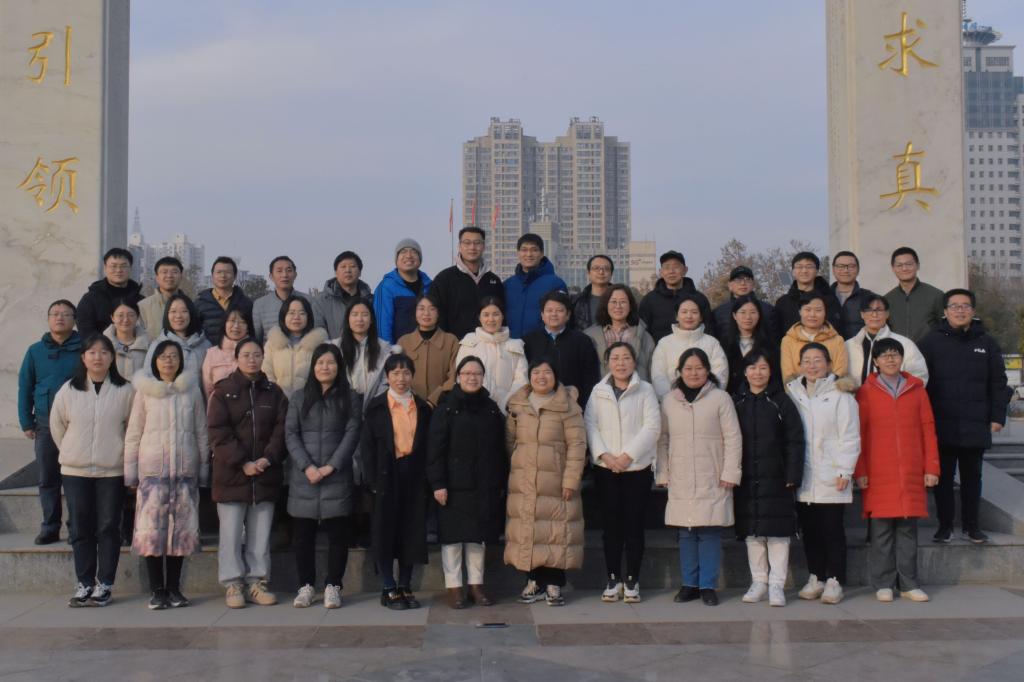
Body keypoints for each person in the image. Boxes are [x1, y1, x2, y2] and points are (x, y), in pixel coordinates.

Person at [49, 334, 135, 607]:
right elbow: (57, 425)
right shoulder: (69, 390)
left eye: (104, 352)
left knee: (109, 527)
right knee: (80, 527)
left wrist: (121, 456)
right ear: (83, 358)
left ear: (112, 358)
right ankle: (84, 583)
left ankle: (104, 584)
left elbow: (133, 428)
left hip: (111, 470)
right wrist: (71, 451)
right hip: (75, 471)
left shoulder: (126, 390)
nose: (98, 357)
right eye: (92, 352)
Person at [918, 288, 1009, 544]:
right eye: (954, 306)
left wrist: (997, 417)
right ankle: (945, 526)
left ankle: (972, 526)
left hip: (975, 422)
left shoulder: (987, 342)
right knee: (943, 478)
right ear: (945, 312)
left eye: (965, 306)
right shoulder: (930, 342)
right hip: (941, 422)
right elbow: (921, 383)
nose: (960, 310)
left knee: (972, 478)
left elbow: (998, 383)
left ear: (973, 310)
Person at [124, 340, 209, 610]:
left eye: (173, 356)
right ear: (154, 361)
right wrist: (130, 472)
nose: (168, 361)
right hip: (153, 472)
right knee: (152, 532)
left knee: (179, 532)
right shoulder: (145, 392)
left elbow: (201, 431)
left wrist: (203, 468)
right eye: (163, 356)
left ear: (181, 361)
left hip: (184, 471)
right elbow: (134, 432)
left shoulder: (192, 390)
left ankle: (174, 588)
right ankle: (156, 590)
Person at [855, 339, 940, 603]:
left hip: (911, 470)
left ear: (902, 359)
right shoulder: (865, 392)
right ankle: (883, 583)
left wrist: (932, 467)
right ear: (875, 361)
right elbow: (858, 434)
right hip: (879, 471)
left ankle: (909, 583)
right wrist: (860, 470)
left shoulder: (916, 389)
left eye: (895, 355)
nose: (890, 359)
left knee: (908, 531)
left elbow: (928, 429)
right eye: (884, 356)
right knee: (881, 532)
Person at [656, 348, 741, 607]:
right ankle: (689, 584)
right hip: (680, 474)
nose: (694, 373)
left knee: (709, 531)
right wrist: (662, 471)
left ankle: (707, 585)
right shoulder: (669, 401)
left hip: (712, 474)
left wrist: (730, 472)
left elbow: (733, 438)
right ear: (680, 372)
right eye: (688, 368)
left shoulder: (720, 398)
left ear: (707, 370)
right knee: (686, 532)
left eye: (699, 368)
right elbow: (662, 439)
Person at [207, 338, 288, 608]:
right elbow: (218, 433)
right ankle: (232, 584)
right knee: (230, 534)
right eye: (246, 355)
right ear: (237, 358)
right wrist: (243, 462)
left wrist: (268, 458)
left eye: (256, 354)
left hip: (265, 474)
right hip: (231, 475)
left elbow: (282, 429)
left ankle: (257, 581)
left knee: (260, 534)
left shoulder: (274, 393)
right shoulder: (223, 391)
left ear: (263, 357)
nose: (251, 359)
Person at [427, 356, 508, 609]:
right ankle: (454, 587)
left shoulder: (491, 408)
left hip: (483, 484)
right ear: (458, 377)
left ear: (483, 377)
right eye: (467, 373)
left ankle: (476, 585)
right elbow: (435, 450)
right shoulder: (445, 407)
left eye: (477, 373)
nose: (472, 378)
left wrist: (499, 481)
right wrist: (438, 483)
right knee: (452, 539)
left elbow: (499, 448)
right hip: (452, 486)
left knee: (477, 538)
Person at [505, 359, 587, 607]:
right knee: (529, 529)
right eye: (536, 372)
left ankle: (554, 583)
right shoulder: (517, 405)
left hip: (557, 479)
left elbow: (577, 445)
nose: (541, 376)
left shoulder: (568, 405)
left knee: (555, 531)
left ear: (556, 376)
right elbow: (509, 440)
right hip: (524, 479)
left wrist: (571, 479)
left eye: (547, 372)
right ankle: (534, 581)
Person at [285, 344, 362, 609]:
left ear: (339, 367)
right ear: (313, 366)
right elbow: (290, 434)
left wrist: (331, 467)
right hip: (304, 477)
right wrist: (307, 466)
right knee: (303, 536)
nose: (325, 367)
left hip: (335, 476)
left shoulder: (350, 398)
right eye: (320, 363)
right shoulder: (299, 397)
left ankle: (333, 586)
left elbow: (352, 433)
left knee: (338, 535)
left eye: (330, 362)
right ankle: (306, 586)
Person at [584, 342, 660, 604]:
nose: (620, 363)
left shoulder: (645, 389)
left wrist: (628, 456)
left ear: (634, 362)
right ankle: (613, 578)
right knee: (611, 526)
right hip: (606, 469)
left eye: (626, 358)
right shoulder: (598, 391)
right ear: (608, 362)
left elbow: (652, 427)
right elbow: (590, 425)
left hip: (636, 469)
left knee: (634, 525)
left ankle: (632, 580)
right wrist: (606, 456)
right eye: (615, 358)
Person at [786, 343, 860, 606]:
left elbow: (850, 435)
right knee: (810, 530)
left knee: (832, 530)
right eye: (807, 360)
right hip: (804, 475)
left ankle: (834, 579)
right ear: (800, 365)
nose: (812, 365)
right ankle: (815, 576)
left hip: (832, 473)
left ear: (828, 364)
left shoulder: (841, 395)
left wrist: (845, 470)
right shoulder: (793, 393)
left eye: (818, 360)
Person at [359, 354, 432, 610]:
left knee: (411, 531)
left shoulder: (423, 407)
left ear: (412, 376)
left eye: (406, 373)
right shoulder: (377, 407)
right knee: (385, 531)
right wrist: (372, 481)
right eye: (395, 373)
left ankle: (405, 585)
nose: (401, 378)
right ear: (387, 377)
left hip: (414, 475)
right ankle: (388, 586)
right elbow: (367, 448)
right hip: (385, 475)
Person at [732, 351, 804, 607]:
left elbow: (795, 440)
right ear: (744, 372)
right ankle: (759, 581)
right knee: (752, 534)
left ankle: (777, 584)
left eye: (763, 367)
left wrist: (792, 474)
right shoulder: (736, 402)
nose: (757, 373)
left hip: (777, 477)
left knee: (777, 534)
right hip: (746, 478)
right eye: (752, 368)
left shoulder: (781, 401)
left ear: (771, 371)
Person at [17, 300, 82, 545]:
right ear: (48, 319)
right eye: (55, 314)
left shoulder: (85, 348)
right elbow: (25, 386)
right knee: (47, 478)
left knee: (75, 478)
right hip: (44, 423)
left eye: (66, 314)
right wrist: (26, 421)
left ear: (74, 319)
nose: (60, 318)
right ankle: (50, 527)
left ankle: (76, 527)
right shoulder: (35, 351)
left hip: (77, 424)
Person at [523, 290, 601, 409]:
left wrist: (584, 406)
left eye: (559, 310)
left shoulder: (582, 341)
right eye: (549, 310)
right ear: (542, 315)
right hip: (538, 406)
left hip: (573, 406)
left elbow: (590, 378)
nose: (554, 314)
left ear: (568, 315)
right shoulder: (528, 341)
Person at [429, 227, 504, 339]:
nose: (472, 247)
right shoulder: (444, 278)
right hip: (455, 345)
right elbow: (435, 314)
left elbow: (501, 314)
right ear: (459, 246)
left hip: (489, 344)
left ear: (483, 246)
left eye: (477, 243)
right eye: (467, 243)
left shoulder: (494, 280)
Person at [455, 297, 528, 412]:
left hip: (508, 409)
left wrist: (506, 401)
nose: (491, 319)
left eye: (496, 314)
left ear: (502, 316)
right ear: (479, 317)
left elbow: (522, 380)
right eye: (486, 315)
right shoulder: (469, 343)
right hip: (474, 408)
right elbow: (461, 377)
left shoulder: (515, 345)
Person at [650, 295, 729, 398]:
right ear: (677, 316)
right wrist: (671, 400)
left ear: (701, 317)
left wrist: (707, 399)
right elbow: (658, 376)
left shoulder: (712, 343)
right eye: (684, 312)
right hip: (672, 403)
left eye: (694, 312)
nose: (689, 316)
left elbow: (720, 374)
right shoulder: (664, 343)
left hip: (708, 402)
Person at [845, 294, 928, 388]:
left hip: (894, 397)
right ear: (862, 314)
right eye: (869, 310)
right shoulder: (848, 345)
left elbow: (919, 376)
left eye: (879, 310)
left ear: (887, 314)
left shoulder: (905, 344)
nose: (874, 315)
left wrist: (898, 394)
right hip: (856, 397)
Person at [583, 284, 656, 382]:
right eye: (613, 302)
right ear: (606, 305)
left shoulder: (644, 336)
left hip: (637, 389)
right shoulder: (590, 336)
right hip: (602, 390)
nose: (618, 306)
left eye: (623, 302)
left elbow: (652, 371)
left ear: (630, 306)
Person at [261, 296, 329, 399]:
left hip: (310, 400)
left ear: (309, 317)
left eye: (302, 313)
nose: (296, 317)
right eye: (291, 313)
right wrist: (276, 395)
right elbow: (266, 371)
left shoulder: (319, 342)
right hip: (277, 400)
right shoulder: (273, 342)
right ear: (283, 316)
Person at [398, 295, 459, 406]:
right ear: (415, 313)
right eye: (421, 308)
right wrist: (413, 400)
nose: (426, 313)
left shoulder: (451, 341)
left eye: (432, 309)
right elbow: (397, 375)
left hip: (443, 405)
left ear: (438, 313)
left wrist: (433, 401)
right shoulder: (403, 342)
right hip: (408, 405)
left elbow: (453, 376)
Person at [638, 250, 712, 343]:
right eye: (667, 267)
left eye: (676, 267)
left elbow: (709, 331)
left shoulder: (699, 299)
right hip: (659, 351)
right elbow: (642, 335)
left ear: (685, 270)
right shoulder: (649, 301)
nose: (671, 271)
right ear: (661, 272)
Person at [503, 233, 568, 339]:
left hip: (543, 346)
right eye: (524, 250)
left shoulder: (555, 284)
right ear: (518, 253)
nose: (529, 254)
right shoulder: (508, 284)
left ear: (542, 254)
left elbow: (564, 320)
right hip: (512, 345)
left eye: (534, 250)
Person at [144, 293, 211, 393]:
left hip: (198, 401)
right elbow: (148, 378)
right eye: (173, 311)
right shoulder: (157, 345)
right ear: (167, 315)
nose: (178, 316)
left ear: (191, 313)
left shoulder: (205, 345)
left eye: (184, 311)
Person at [337, 299, 398, 406]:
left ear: (371, 320)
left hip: (376, 406)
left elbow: (386, 381)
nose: (359, 319)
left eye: (365, 315)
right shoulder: (336, 348)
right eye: (355, 314)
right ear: (348, 319)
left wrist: (375, 403)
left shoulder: (385, 349)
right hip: (343, 407)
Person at [374, 239, 433, 344]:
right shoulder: (386, 287)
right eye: (403, 252)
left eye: (414, 251)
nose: (408, 255)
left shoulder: (430, 286)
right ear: (396, 260)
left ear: (420, 259)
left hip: (427, 349)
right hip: (398, 351)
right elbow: (382, 326)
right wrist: (388, 351)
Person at [76, 247, 144, 337]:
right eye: (113, 266)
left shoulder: (141, 300)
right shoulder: (90, 298)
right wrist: (103, 344)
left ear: (130, 268)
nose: (119, 270)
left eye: (123, 266)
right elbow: (85, 330)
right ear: (105, 268)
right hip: (100, 345)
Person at [780, 293, 848, 381]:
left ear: (825, 312)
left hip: (831, 389)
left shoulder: (837, 340)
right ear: (800, 312)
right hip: (798, 389)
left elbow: (840, 373)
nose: (812, 314)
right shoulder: (788, 341)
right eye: (807, 310)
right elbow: (788, 375)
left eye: (818, 310)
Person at [720, 294, 780, 394]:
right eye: (743, 312)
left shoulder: (769, 344)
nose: (748, 317)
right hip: (733, 397)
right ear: (734, 315)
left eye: (753, 312)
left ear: (759, 315)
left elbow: (776, 375)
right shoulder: (724, 344)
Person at [885, 247, 946, 343]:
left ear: (918, 266)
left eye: (909, 264)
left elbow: (946, 327)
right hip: (899, 351)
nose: (904, 268)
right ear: (893, 268)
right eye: (899, 265)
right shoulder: (887, 299)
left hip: (928, 350)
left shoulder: (936, 295)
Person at [774, 252, 842, 334]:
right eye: (799, 266)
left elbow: (835, 329)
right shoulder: (783, 302)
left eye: (809, 266)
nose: (804, 270)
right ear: (793, 271)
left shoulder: (829, 299)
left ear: (816, 271)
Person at [711, 266, 782, 343]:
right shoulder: (718, 313)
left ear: (753, 284)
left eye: (747, 279)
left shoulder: (768, 310)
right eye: (738, 280)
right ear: (730, 285)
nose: (743, 283)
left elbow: (776, 340)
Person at [252, 256, 313, 345]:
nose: (284, 275)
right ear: (271, 276)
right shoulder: (260, 304)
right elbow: (256, 339)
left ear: (295, 275)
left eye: (289, 270)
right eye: (279, 271)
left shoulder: (309, 301)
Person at [313, 251, 374, 340]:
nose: (348, 270)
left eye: (352, 266)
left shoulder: (371, 300)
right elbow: (317, 332)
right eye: (343, 267)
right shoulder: (320, 301)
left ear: (360, 272)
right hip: (333, 348)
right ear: (336, 272)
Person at [195, 256, 254, 347]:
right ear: (212, 276)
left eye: (227, 272)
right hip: (208, 353)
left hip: (239, 352)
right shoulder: (200, 303)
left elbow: (252, 332)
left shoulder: (246, 303)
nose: (223, 276)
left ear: (235, 276)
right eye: (219, 272)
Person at [201, 304, 254, 399]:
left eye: (242, 322)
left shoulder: (256, 352)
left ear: (248, 327)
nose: (236, 326)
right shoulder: (212, 354)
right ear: (224, 324)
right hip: (219, 406)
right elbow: (208, 389)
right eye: (232, 321)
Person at [830, 251, 874, 340]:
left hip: (859, 347)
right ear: (833, 270)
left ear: (858, 269)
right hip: (829, 347)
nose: (846, 270)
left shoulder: (869, 298)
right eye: (840, 266)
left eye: (851, 266)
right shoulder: (823, 297)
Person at [138, 256, 185, 339]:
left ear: (181, 276)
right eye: (164, 272)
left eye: (174, 272)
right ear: (157, 278)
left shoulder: (190, 306)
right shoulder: (143, 307)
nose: (169, 275)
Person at [104, 299, 150, 380]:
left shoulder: (149, 343)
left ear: (137, 317)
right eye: (120, 315)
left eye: (131, 315)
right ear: (112, 318)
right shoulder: (103, 345)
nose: (125, 320)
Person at [572, 255, 614, 331]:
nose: (601, 272)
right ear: (588, 273)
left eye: (606, 269)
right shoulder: (576, 301)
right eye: (596, 268)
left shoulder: (621, 301)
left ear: (611, 274)